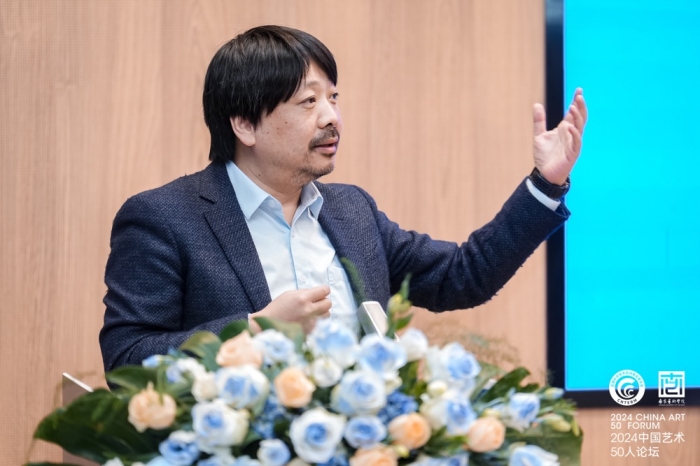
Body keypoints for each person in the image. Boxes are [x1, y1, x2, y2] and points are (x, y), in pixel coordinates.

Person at [99, 25, 587, 372]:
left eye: (333, 98)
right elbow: (127, 358)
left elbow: (462, 277)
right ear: (245, 125)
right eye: (309, 101)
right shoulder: (166, 218)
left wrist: (545, 184)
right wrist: (254, 330)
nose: (332, 117)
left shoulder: (351, 210)